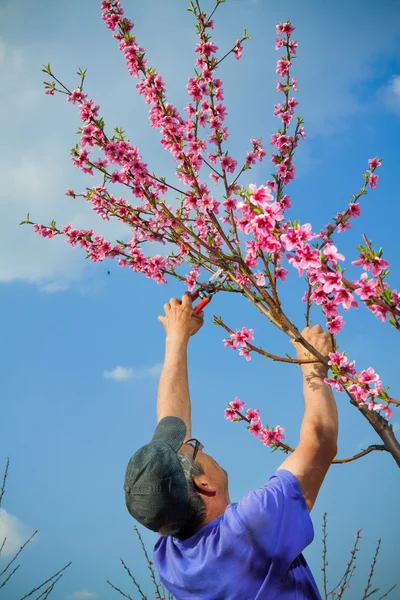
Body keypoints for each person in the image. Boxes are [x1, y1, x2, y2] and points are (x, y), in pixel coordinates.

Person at [123, 292, 338, 599]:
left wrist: (177, 337)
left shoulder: (171, 559)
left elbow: (171, 418)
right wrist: (313, 368)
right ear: (204, 483)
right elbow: (320, 443)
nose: (198, 444)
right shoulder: (252, 528)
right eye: (193, 447)